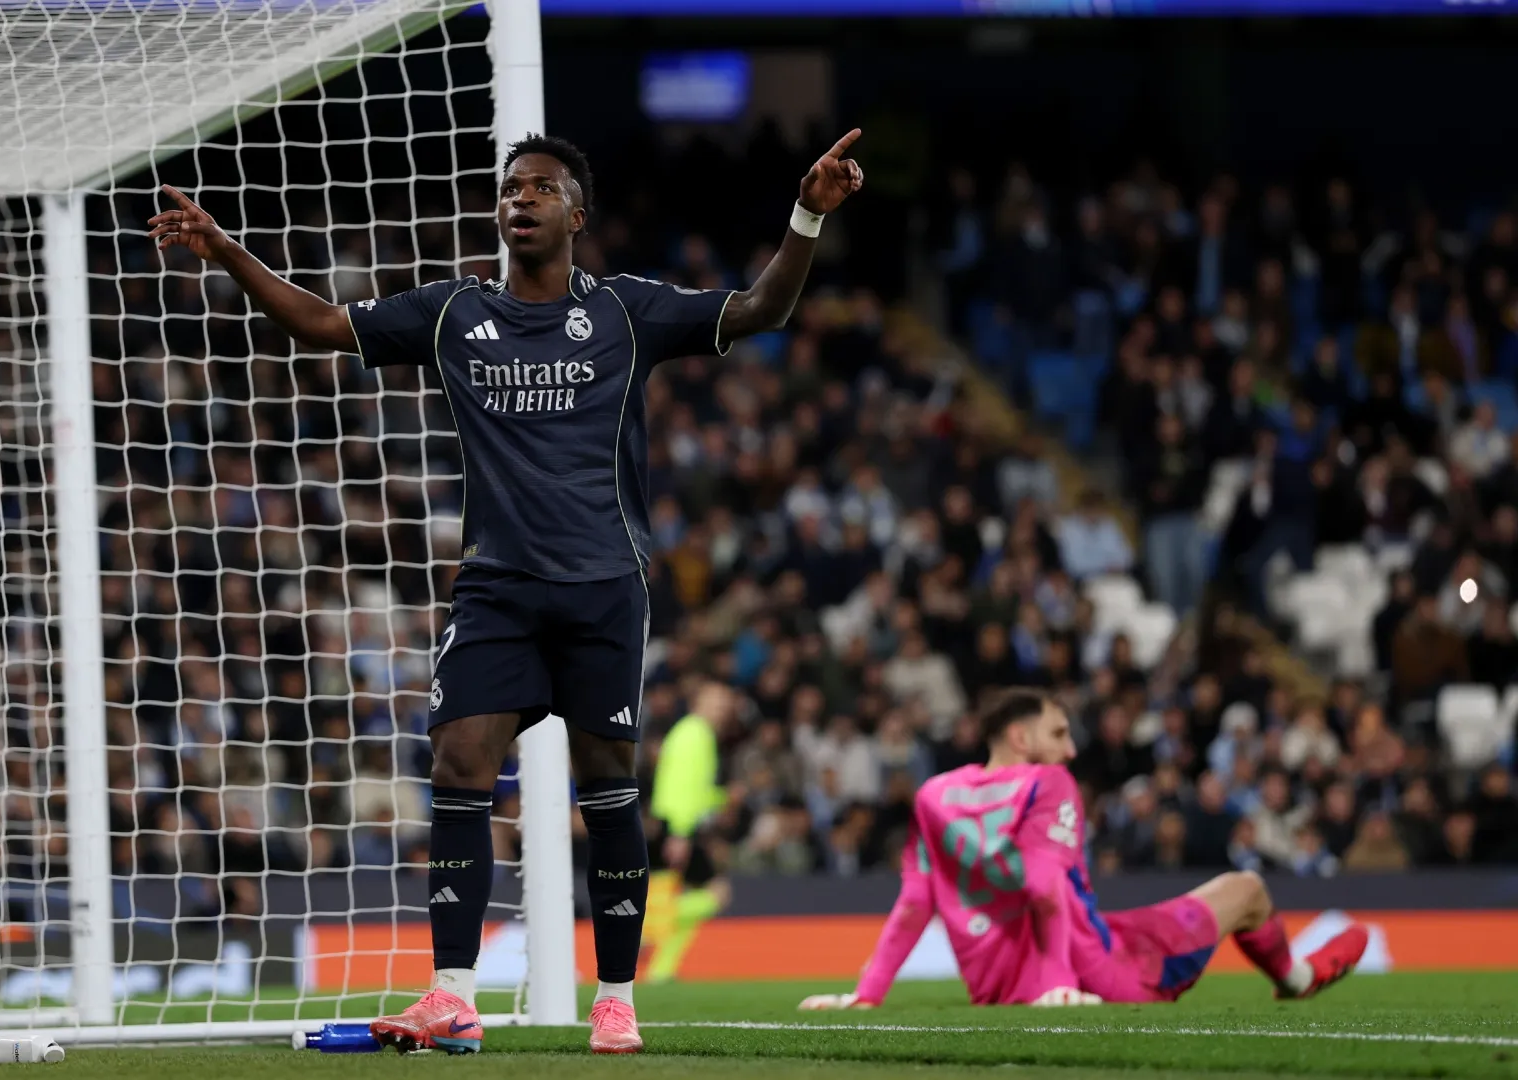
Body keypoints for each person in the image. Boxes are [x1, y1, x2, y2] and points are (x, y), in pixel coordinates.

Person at [150, 130, 864, 1054]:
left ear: (577, 214)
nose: (519, 199)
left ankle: (615, 999)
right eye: (510, 188)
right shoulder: (453, 313)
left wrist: (807, 212)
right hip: (498, 590)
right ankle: (451, 992)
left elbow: (764, 307)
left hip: (604, 585)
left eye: (541, 188)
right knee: (457, 766)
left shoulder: (627, 312)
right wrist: (228, 251)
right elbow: (323, 324)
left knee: (608, 787)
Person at [798, 690, 1367, 1010]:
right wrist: (1056, 988)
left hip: (997, 986)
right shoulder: (1048, 784)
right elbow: (1044, 890)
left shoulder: (933, 794)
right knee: (1248, 888)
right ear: (1021, 739)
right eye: (1058, 734)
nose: (1070, 750)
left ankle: (1294, 978)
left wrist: (867, 996)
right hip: (1104, 968)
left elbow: (913, 904)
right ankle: (1294, 978)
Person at [643, 680, 738, 983]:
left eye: (725, 702)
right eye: (716, 701)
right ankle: (648, 925)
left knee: (691, 895)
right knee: (717, 894)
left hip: (674, 824)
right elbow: (680, 787)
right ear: (700, 701)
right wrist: (680, 833)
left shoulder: (689, 731)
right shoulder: (696, 734)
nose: (722, 708)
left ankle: (661, 970)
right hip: (678, 827)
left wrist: (722, 798)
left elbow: (695, 789)